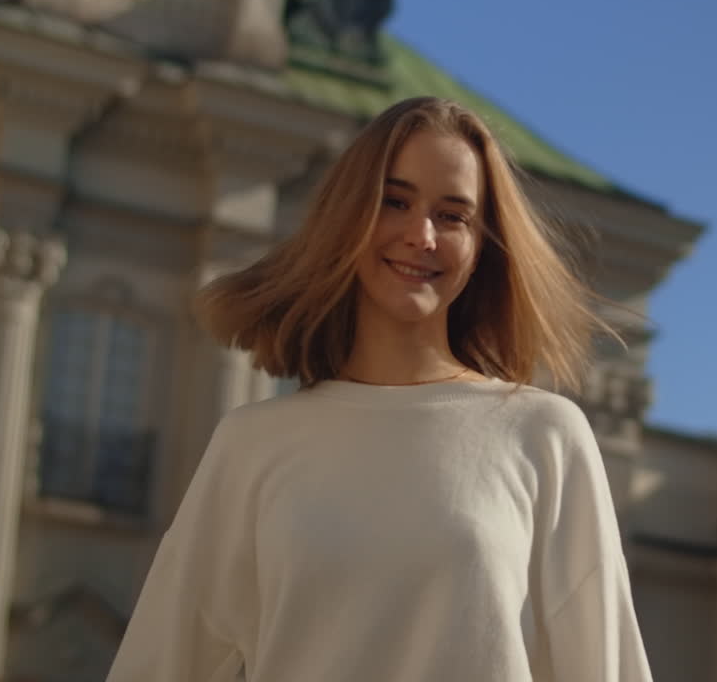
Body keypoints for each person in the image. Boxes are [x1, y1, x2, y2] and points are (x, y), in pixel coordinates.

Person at [106, 97, 653, 681]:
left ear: (479, 249)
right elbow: (161, 664)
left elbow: (603, 667)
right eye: (395, 201)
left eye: (453, 215)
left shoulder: (544, 434)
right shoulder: (252, 444)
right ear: (349, 217)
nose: (422, 235)